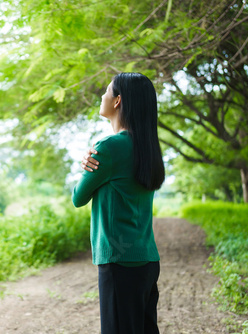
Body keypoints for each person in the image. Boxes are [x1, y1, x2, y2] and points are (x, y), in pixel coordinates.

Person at [71, 72, 165, 334]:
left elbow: (78, 197)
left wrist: (86, 164)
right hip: (147, 260)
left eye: (106, 91)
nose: (102, 95)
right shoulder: (148, 147)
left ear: (117, 101)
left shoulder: (110, 147)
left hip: (119, 261)